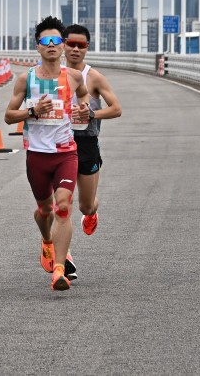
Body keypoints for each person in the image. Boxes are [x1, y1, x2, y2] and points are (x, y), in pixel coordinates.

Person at [4, 15, 89, 291]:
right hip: (37, 156)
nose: (51, 45)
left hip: (66, 153)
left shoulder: (74, 77)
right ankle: (47, 241)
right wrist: (32, 112)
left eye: (56, 40)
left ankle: (60, 270)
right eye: (45, 40)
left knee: (63, 206)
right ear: (37, 46)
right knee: (45, 210)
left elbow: (85, 96)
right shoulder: (25, 79)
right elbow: (8, 116)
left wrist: (84, 109)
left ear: (63, 46)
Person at [62, 24, 123, 241]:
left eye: (81, 45)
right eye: (71, 44)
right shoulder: (52, 75)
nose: (75, 49)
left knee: (85, 206)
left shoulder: (94, 77)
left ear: (87, 48)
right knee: (61, 204)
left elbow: (116, 108)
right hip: (58, 143)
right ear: (63, 45)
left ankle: (92, 213)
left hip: (86, 143)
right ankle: (61, 256)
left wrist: (92, 115)